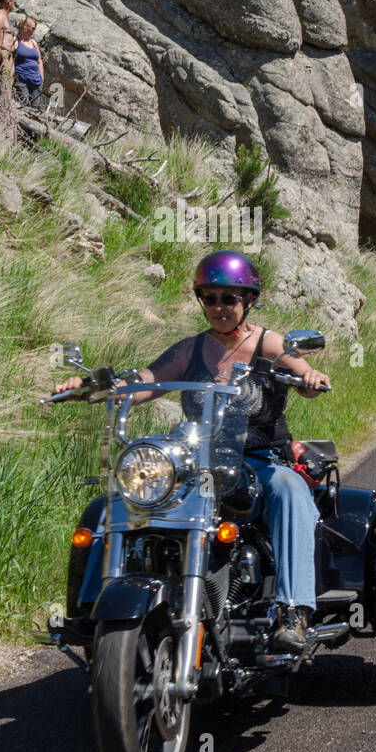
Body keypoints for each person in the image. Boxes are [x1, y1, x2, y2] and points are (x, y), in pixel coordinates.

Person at [53, 251, 331, 653]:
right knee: (113, 501)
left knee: (290, 492)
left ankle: (293, 610)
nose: (219, 307)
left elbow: (296, 363)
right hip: (194, 462)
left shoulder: (267, 342)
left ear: (248, 300)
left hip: (258, 459)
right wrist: (93, 386)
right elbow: (146, 380)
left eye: (229, 298)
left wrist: (309, 375)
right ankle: (91, 608)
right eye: (210, 298)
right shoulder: (190, 350)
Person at [11, 16, 50, 110]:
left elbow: (39, 61)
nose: (33, 30)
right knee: (24, 104)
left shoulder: (33, 42)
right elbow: (9, 58)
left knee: (35, 107)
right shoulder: (15, 41)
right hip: (21, 79)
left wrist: (42, 78)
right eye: (32, 28)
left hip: (36, 80)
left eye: (34, 28)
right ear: (25, 26)